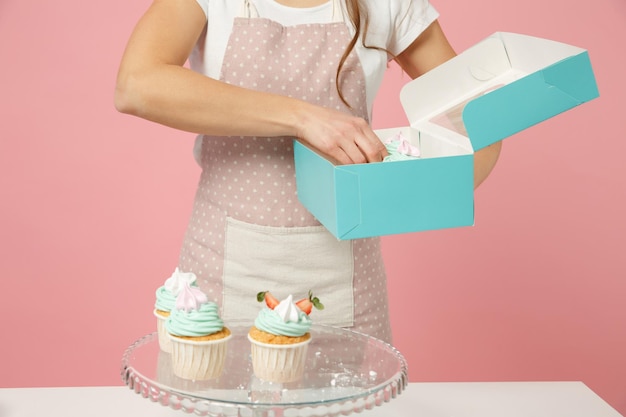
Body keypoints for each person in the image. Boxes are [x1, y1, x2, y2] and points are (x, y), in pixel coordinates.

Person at [115, 0, 502, 343]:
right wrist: (303, 118)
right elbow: (137, 84)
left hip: (348, 287)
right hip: (223, 275)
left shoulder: (386, 4)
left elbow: (479, 119)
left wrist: (430, 192)